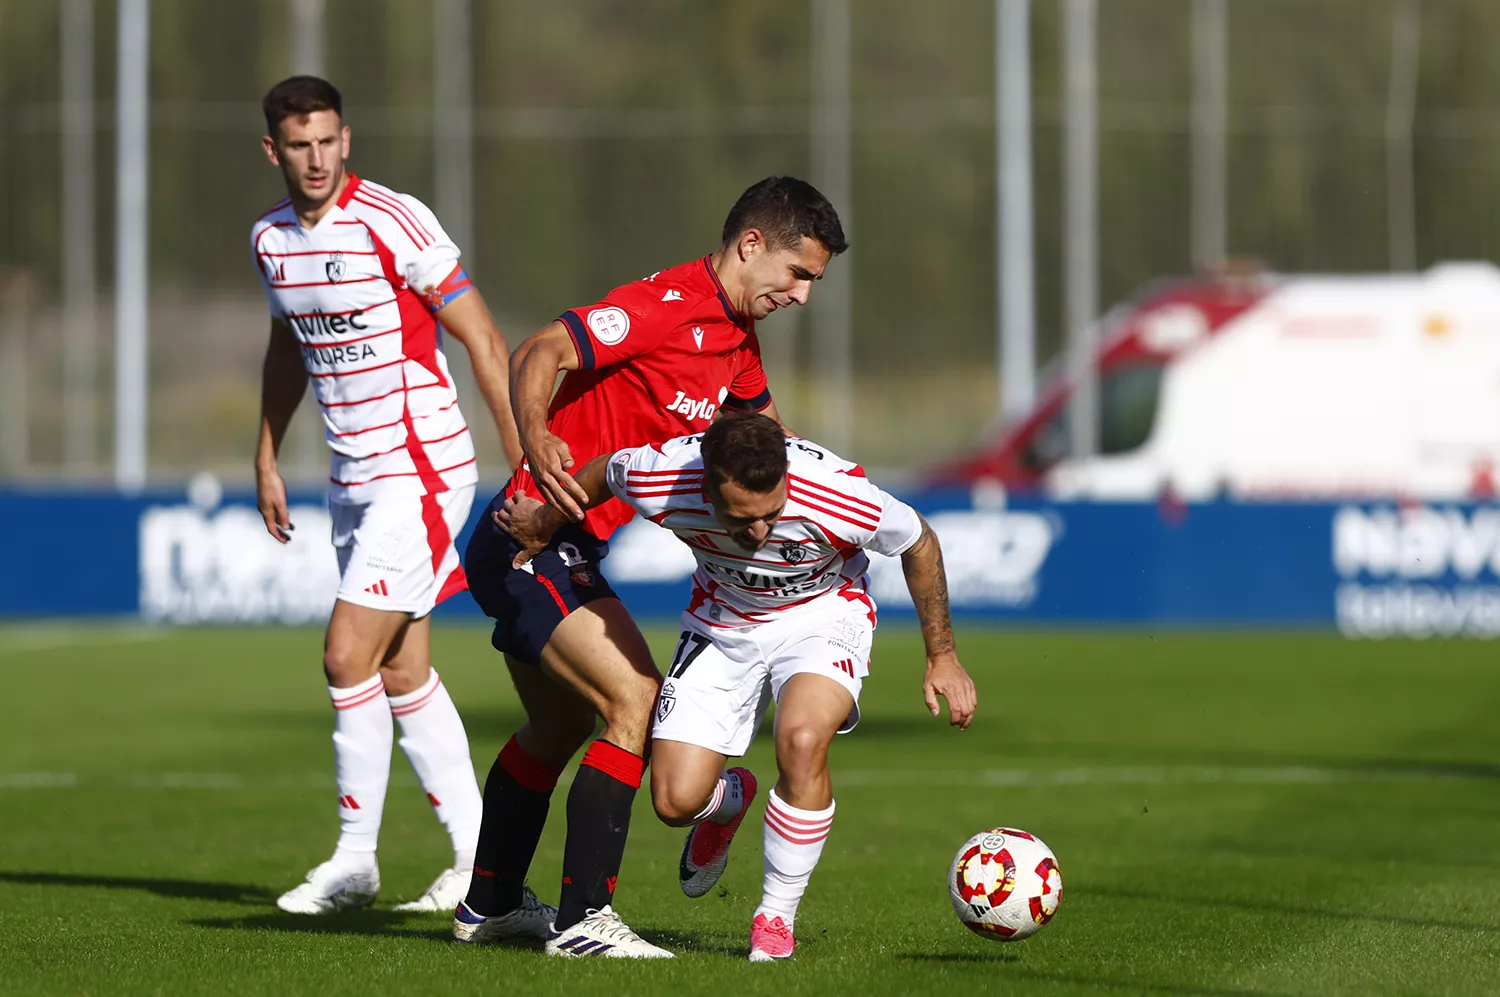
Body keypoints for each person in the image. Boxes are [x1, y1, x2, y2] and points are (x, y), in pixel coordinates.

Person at [454, 177, 848, 958]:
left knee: (558, 725)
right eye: (798, 273)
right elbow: (543, 349)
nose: (802, 295)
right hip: (530, 538)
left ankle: (489, 903)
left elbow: (775, 447)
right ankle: (582, 923)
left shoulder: (737, 346)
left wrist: (838, 514)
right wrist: (536, 436)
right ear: (750, 245)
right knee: (634, 697)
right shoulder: (666, 304)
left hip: (564, 547)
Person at [497, 411, 978, 961]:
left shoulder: (836, 494)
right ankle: (729, 802)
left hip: (822, 619)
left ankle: (774, 917)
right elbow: (606, 471)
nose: (759, 532)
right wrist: (546, 522)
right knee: (676, 801)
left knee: (801, 740)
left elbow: (918, 541)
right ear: (705, 486)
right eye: (740, 518)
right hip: (721, 626)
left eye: (772, 514)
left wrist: (942, 656)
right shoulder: (664, 476)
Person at [251, 76, 524, 916]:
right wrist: (265, 455)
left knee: (345, 655)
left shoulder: (393, 219)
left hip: (422, 467)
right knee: (403, 668)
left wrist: (521, 466)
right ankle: (482, 861)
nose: (316, 158)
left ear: (347, 137)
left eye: (328, 140)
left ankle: (354, 860)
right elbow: (288, 346)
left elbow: (482, 339)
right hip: (351, 481)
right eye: (299, 145)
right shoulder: (269, 239)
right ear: (275, 151)